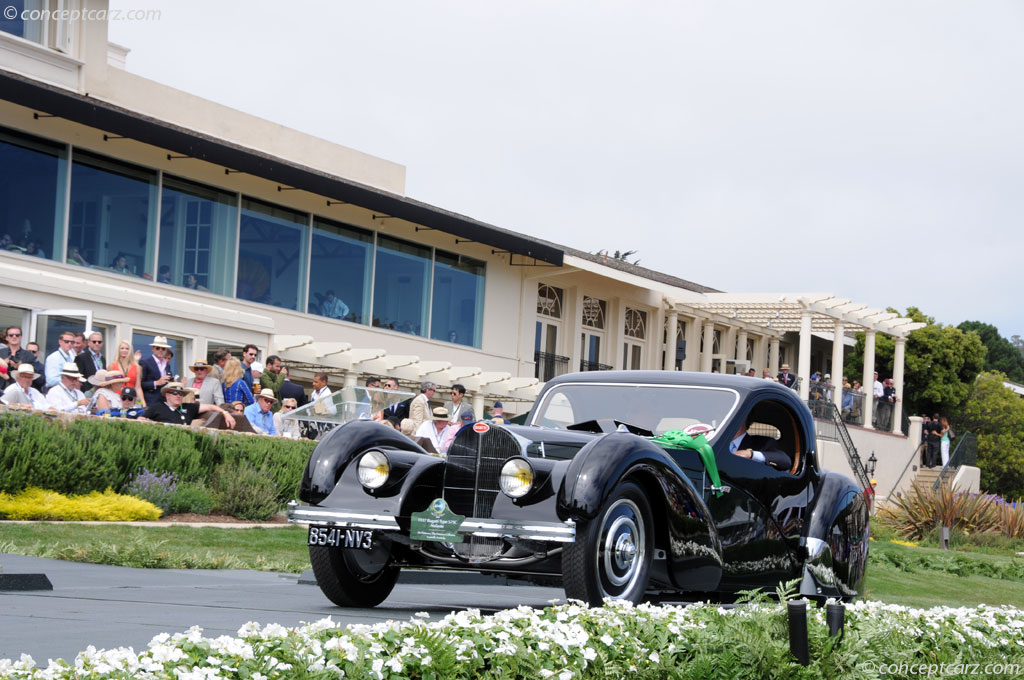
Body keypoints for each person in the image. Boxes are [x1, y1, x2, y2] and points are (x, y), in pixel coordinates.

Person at [144, 382, 235, 427]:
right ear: (167, 395)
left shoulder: (189, 407)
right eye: (175, 393)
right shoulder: (156, 407)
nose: (178, 396)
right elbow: (141, 420)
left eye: (181, 394)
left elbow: (210, 406)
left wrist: (225, 413)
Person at [110, 340, 146, 407]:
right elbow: (109, 386)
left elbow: (138, 387)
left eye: (127, 348)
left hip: (131, 399)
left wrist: (142, 402)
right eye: (122, 348)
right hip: (116, 398)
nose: (124, 350)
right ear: (118, 350)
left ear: (130, 351)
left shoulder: (137, 367)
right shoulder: (112, 366)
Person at [139, 336, 174, 406]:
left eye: (163, 348)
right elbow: (140, 384)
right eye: (158, 348)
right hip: (150, 401)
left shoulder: (167, 365)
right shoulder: (145, 362)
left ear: (166, 350)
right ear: (153, 349)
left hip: (165, 402)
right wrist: (156, 383)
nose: (160, 350)